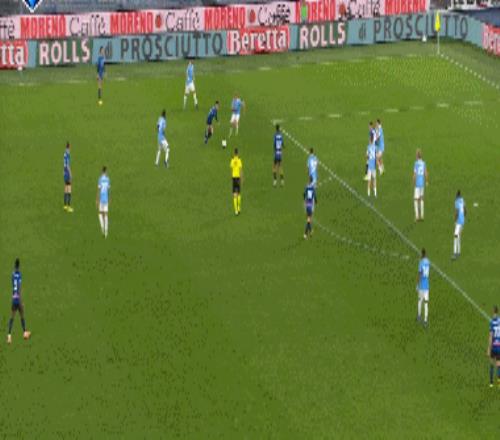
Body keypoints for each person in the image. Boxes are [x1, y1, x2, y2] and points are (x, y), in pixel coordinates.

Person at [7, 258, 30, 344]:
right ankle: (24, 333)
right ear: (19, 266)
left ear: (14, 266)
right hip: (18, 299)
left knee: (12, 317)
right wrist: (21, 301)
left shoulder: (12, 275)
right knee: (22, 315)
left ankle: (9, 336)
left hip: (13, 298)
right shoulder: (19, 275)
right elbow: (19, 289)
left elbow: (14, 287)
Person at [413, 149, 429, 221]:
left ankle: (417, 216)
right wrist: (427, 181)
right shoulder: (423, 163)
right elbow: (426, 173)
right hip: (422, 184)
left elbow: (415, 174)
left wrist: (413, 182)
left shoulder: (416, 164)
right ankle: (422, 216)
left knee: (416, 200)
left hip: (417, 184)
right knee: (421, 199)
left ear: (417, 156)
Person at [416, 248, 430, 328]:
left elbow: (420, 274)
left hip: (422, 286)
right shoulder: (428, 262)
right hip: (427, 286)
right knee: (426, 303)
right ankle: (425, 320)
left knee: (420, 301)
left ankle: (419, 316)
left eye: (421, 253)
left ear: (422, 254)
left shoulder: (421, 263)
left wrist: (417, 284)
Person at [487, 305, 500, 387]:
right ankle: (499, 382)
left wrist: (489, 348)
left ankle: (491, 383)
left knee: (492, 363)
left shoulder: (492, 322)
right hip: (499, 346)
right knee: (499, 364)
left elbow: (491, 336)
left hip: (494, 347)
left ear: (493, 311)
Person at [97, 166, 111, 238]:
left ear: (102, 171)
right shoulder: (108, 179)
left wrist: (97, 199)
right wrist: (110, 198)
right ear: (106, 171)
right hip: (106, 199)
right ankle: (106, 232)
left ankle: (102, 228)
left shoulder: (100, 179)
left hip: (101, 199)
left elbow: (99, 190)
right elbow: (108, 190)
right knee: (106, 214)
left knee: (100, 214)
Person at [452, 190, 466, 260]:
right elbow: (465, 210)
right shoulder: (462, 200)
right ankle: (459, 252)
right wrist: (463, 217)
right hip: (462, 221)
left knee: (455, 237)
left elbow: (457, 212)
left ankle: (455, 254)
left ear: (457, 195)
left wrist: (455, 220)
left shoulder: (456, 201)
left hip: (458, 222)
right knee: (458, 236)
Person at [230, 148, 243, 215]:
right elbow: (240, 169)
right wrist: (242, 178)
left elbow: (231, 168)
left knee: (234, 194)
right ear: (238, 153)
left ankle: (236, 211)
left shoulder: (232, 160)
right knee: (239, 193)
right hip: (238, 178)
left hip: (234, 178)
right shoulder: (239, 160)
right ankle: (239, 207)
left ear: (234, 153)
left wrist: (231, 177)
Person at [63, 141, 73, 213]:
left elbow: (64, 165)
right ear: (69, 147)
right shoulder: (68, 155)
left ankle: (65, 206)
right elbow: (68, 165)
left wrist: (63, 172)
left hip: (64, 173)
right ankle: (69, 207)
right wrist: (70, 174)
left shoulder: (64, 154)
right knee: (69, 190)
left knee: (65, 189)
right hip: (67, 173)